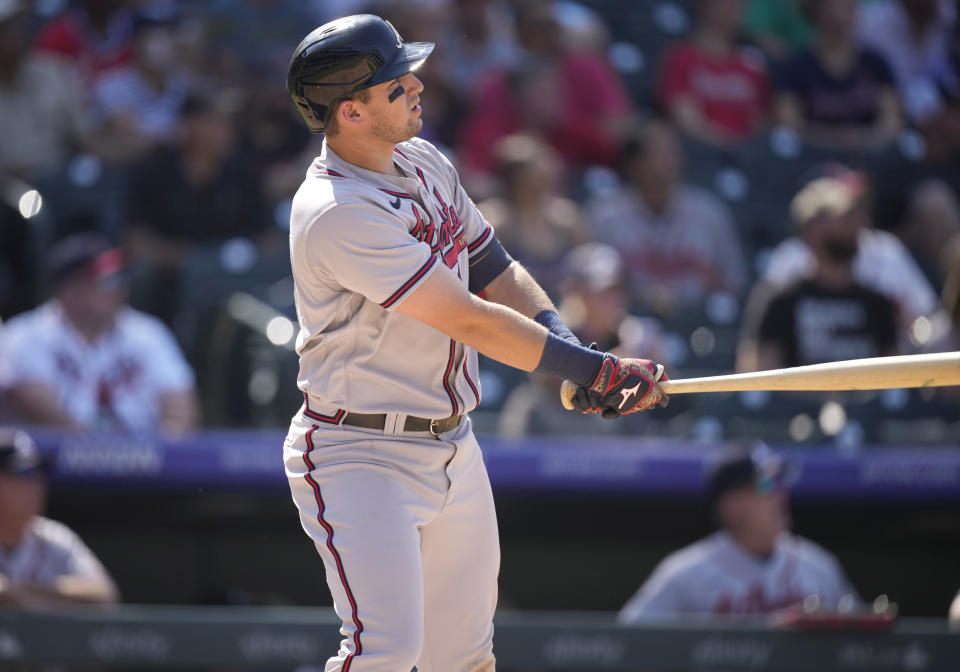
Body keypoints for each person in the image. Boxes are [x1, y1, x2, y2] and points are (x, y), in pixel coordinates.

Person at [282, 14, 669, 671]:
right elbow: (469, 318)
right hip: (360, 450)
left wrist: (573, 357)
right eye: (396, 82)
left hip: (452, 442)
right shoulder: (336, 210)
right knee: (386, 651)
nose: (417, 85)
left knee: (463, 658)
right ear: (350, 111)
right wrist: (593, 369)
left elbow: (494, 269)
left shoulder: (425, 160)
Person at [618, 443, 858, 620]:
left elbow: (863, 646)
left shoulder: (819, 566)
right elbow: (628, 644)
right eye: (766, 485)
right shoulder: (684, 574)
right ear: (730, 505)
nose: (780, 494)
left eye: (781, 483)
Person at [0, 233, 199, 435]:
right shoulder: (26, 334)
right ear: (70, 289)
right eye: (107, 282)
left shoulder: (148, 334)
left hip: (144, 461)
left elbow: (179, 404)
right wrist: (98, 454)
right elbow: (34, 404)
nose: (119, 289)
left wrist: (161, 453)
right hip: (51, 462)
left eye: (120, 279)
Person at [737, 172, 900, 372]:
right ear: (811, 230)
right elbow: (758, 376)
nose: (856, 224)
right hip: (797, 404)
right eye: (843, 217)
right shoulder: (780, 303)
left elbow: (893, 380)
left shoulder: (878, 304)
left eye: (856, 215)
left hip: (864, 402)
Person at [586, 119, 748, 317]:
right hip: (628, 322)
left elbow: (734, 282)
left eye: (673, 152)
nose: (672, 160)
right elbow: (592, 283)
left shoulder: (709, 211)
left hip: (700, 321)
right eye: (660, 154)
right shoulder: (604, 215)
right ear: (635, 164)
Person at [0, 427, 119, 607]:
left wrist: (17, 590)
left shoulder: (53, 537)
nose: (37, 486)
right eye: (24, 474)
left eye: (39, 474)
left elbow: (106, 594)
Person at [773, 0, 903, 153]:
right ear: (818, 10)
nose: (848, 6)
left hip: (872, 160)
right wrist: (839, 139)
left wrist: (862, 139)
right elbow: (789, 127)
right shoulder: (796, 68)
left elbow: (893, 123)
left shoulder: (875, 63)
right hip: (813, 162)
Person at [657, 0, 771, 146]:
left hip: (747, 154)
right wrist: (728, 142)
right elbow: (685, 119)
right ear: (707, 5)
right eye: (729, 3)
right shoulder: (681, 58)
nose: (738, 7)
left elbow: (759, 122)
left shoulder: (750, 64)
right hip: (701, 153)